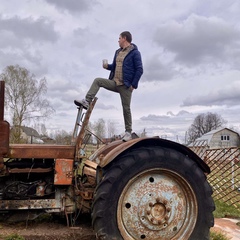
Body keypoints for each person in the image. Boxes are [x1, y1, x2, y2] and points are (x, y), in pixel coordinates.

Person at [74, 31, 143, 141]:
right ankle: (87, 101)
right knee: (98, 81)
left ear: (125, 38)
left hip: (126, 86)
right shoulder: (117, 52)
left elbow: (139, 69)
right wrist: (107, 66)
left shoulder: (135, 53)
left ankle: (128, 132)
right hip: (114, 83)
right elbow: (114, 67)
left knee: (126, 108)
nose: (118, 40)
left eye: (119, 38)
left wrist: (133, 85)